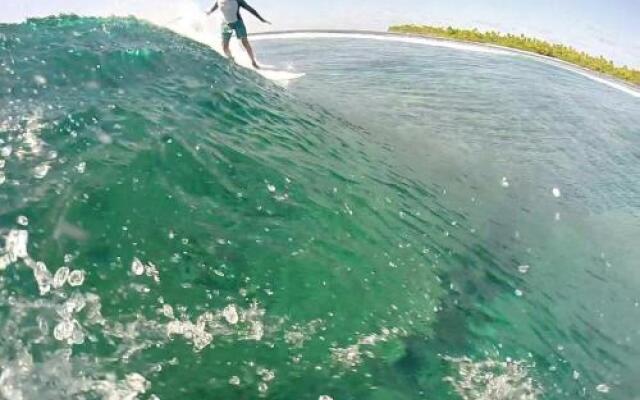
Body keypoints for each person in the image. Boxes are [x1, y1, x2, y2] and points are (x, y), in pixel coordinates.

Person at [207, 0, 270, 69]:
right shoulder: (219, 1)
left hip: (238, 23)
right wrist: (209, 12)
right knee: (224, 46)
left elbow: (250, 9)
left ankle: (253, 62)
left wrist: (261, 19)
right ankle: (231, 61)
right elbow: (214, 7)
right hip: (226, 24)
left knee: (244, 42)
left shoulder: (238, 0)